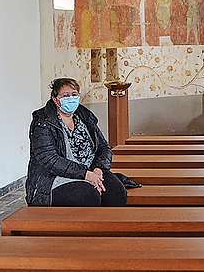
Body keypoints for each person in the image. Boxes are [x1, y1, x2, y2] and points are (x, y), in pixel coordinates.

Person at [25, 77, 127, 207]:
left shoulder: (85, 117)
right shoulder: (43, 122)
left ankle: (109, 226)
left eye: (74, 95)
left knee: (116, 192)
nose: (71, 98)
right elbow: (50, 159)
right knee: (88, 196)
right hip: (54, 178)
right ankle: (87, 226)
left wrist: (99, 169)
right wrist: (85, 174)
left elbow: (103, 147)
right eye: (65, 95)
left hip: (91, 171)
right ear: (56, 100)